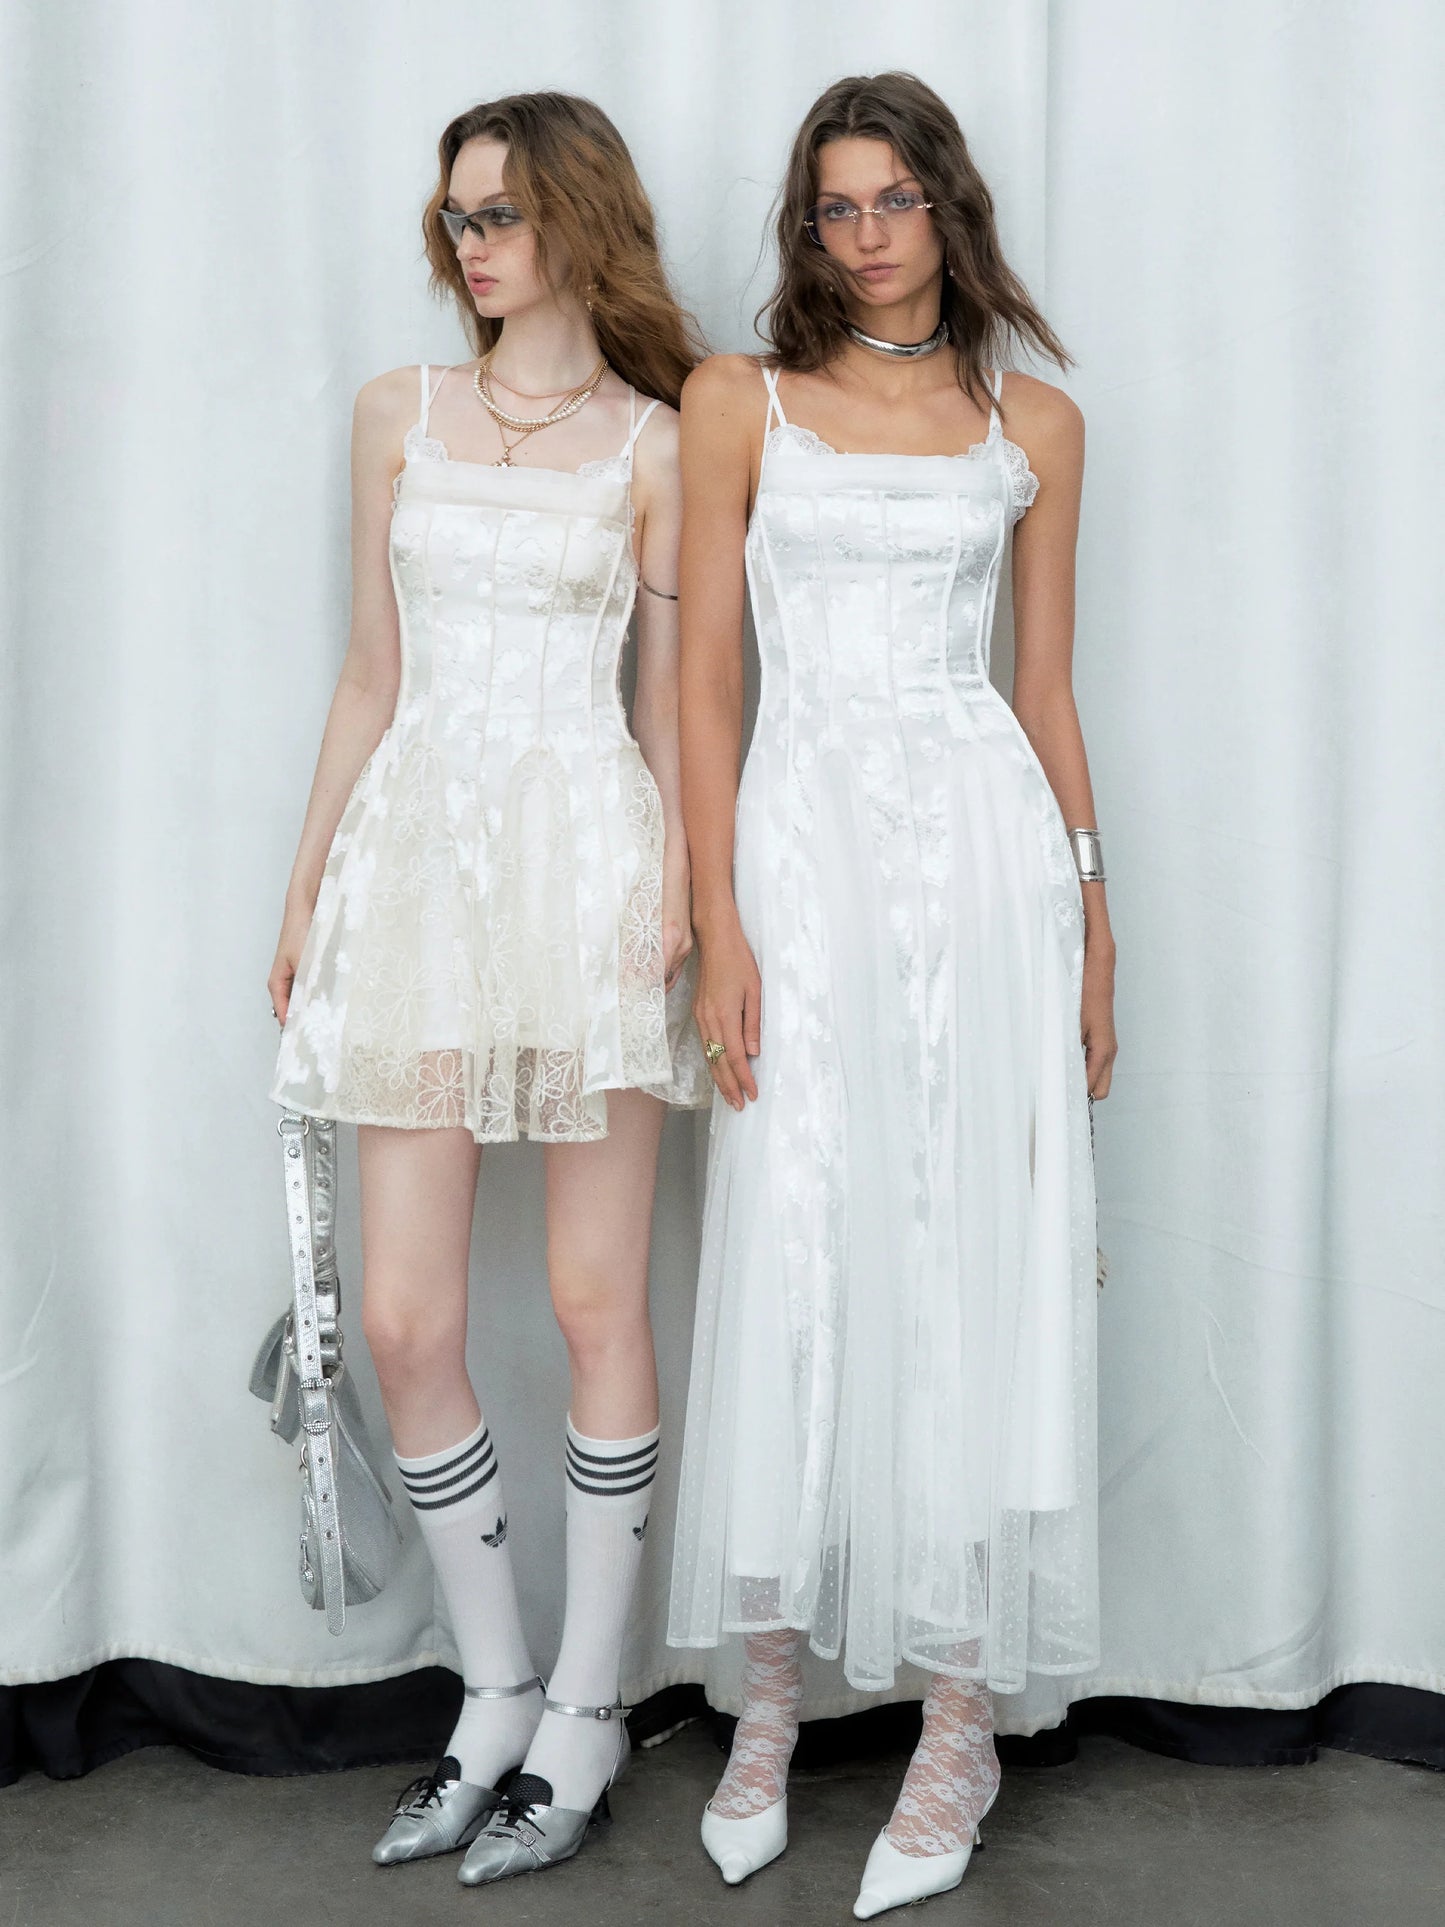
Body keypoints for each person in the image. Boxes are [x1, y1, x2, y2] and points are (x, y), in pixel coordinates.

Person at [668, 71, 1116, 1919]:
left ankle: (955, 1723)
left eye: (892, 200)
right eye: (833, 206)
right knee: (796, 1250)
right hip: (801, 850)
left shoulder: (1035, 423)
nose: (863, 235)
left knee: (960, 1260)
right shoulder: (737, 402)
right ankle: (767, 1702)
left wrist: (1094, 916)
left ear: (948, 205)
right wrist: (718, 919)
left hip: (984, 866)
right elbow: (704, 681)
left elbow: (1043, 690)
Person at [267, 90, 708, 1885]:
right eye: (456, 215)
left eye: (501, 213)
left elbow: (674, 704)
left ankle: (591, 1707)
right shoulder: (398, 413)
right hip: (420, 874)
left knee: (597, 1296)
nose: (471, 243)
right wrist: (308, 882)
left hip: (589, 867)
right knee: (403, 1319)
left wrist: (680, 892)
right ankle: (496, 1687)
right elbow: (369, 675)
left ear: (577, 220)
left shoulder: (660, 440)